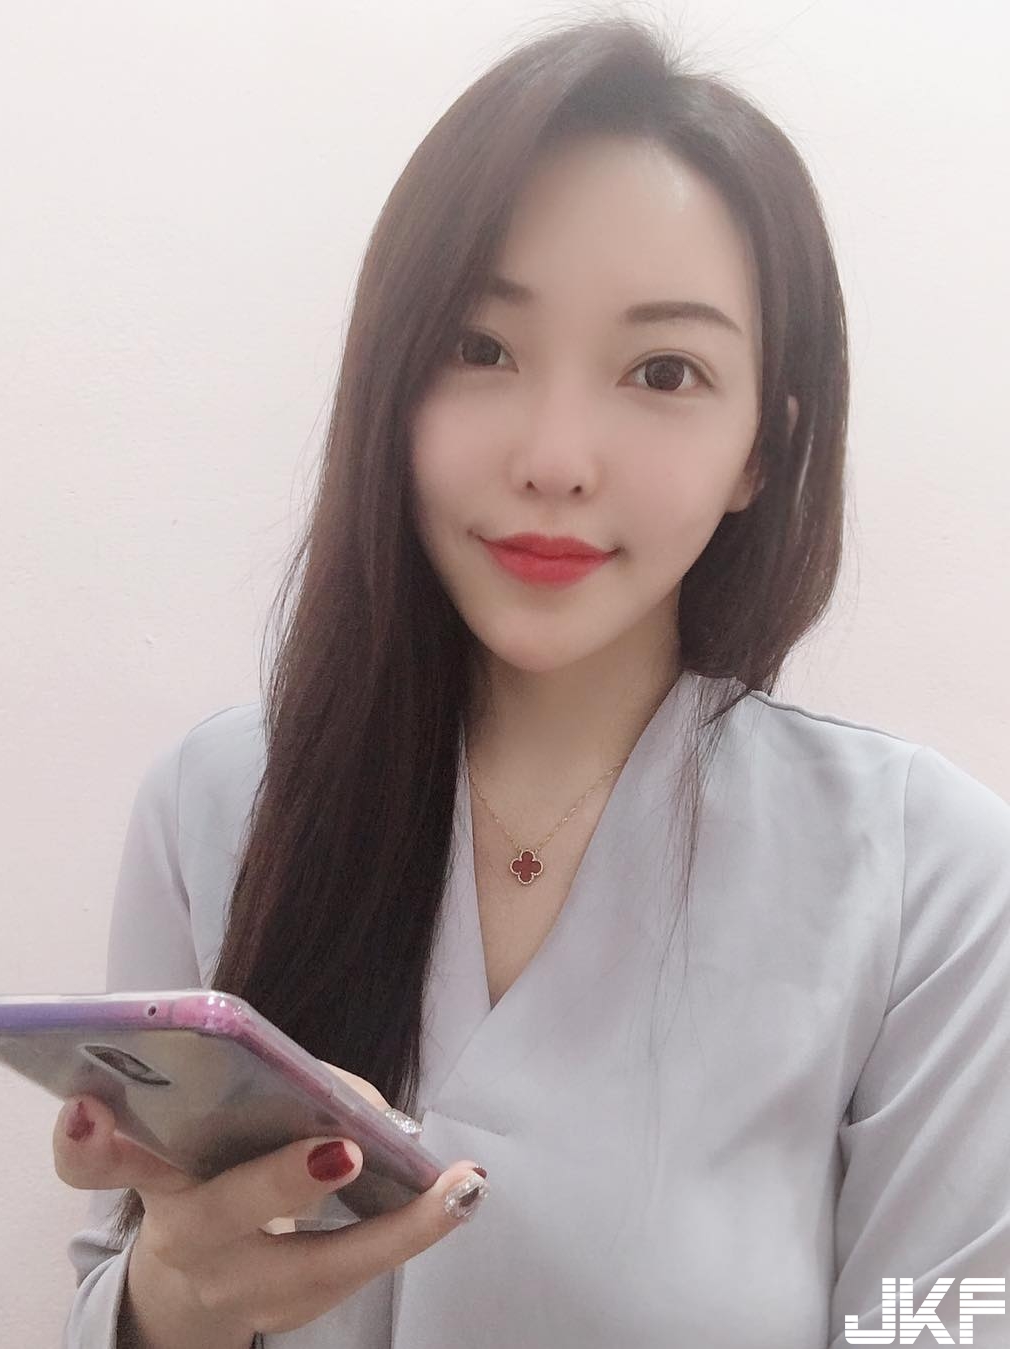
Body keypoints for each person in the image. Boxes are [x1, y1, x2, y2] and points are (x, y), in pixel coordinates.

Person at [53, 15, 1010, 1349]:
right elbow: (113, 1279)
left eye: (665, 371)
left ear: (761, 447)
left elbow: (944, 1323)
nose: (556, 457)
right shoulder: (216, 800)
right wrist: (164, 1307)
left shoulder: (930, 879)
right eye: (481, 348)